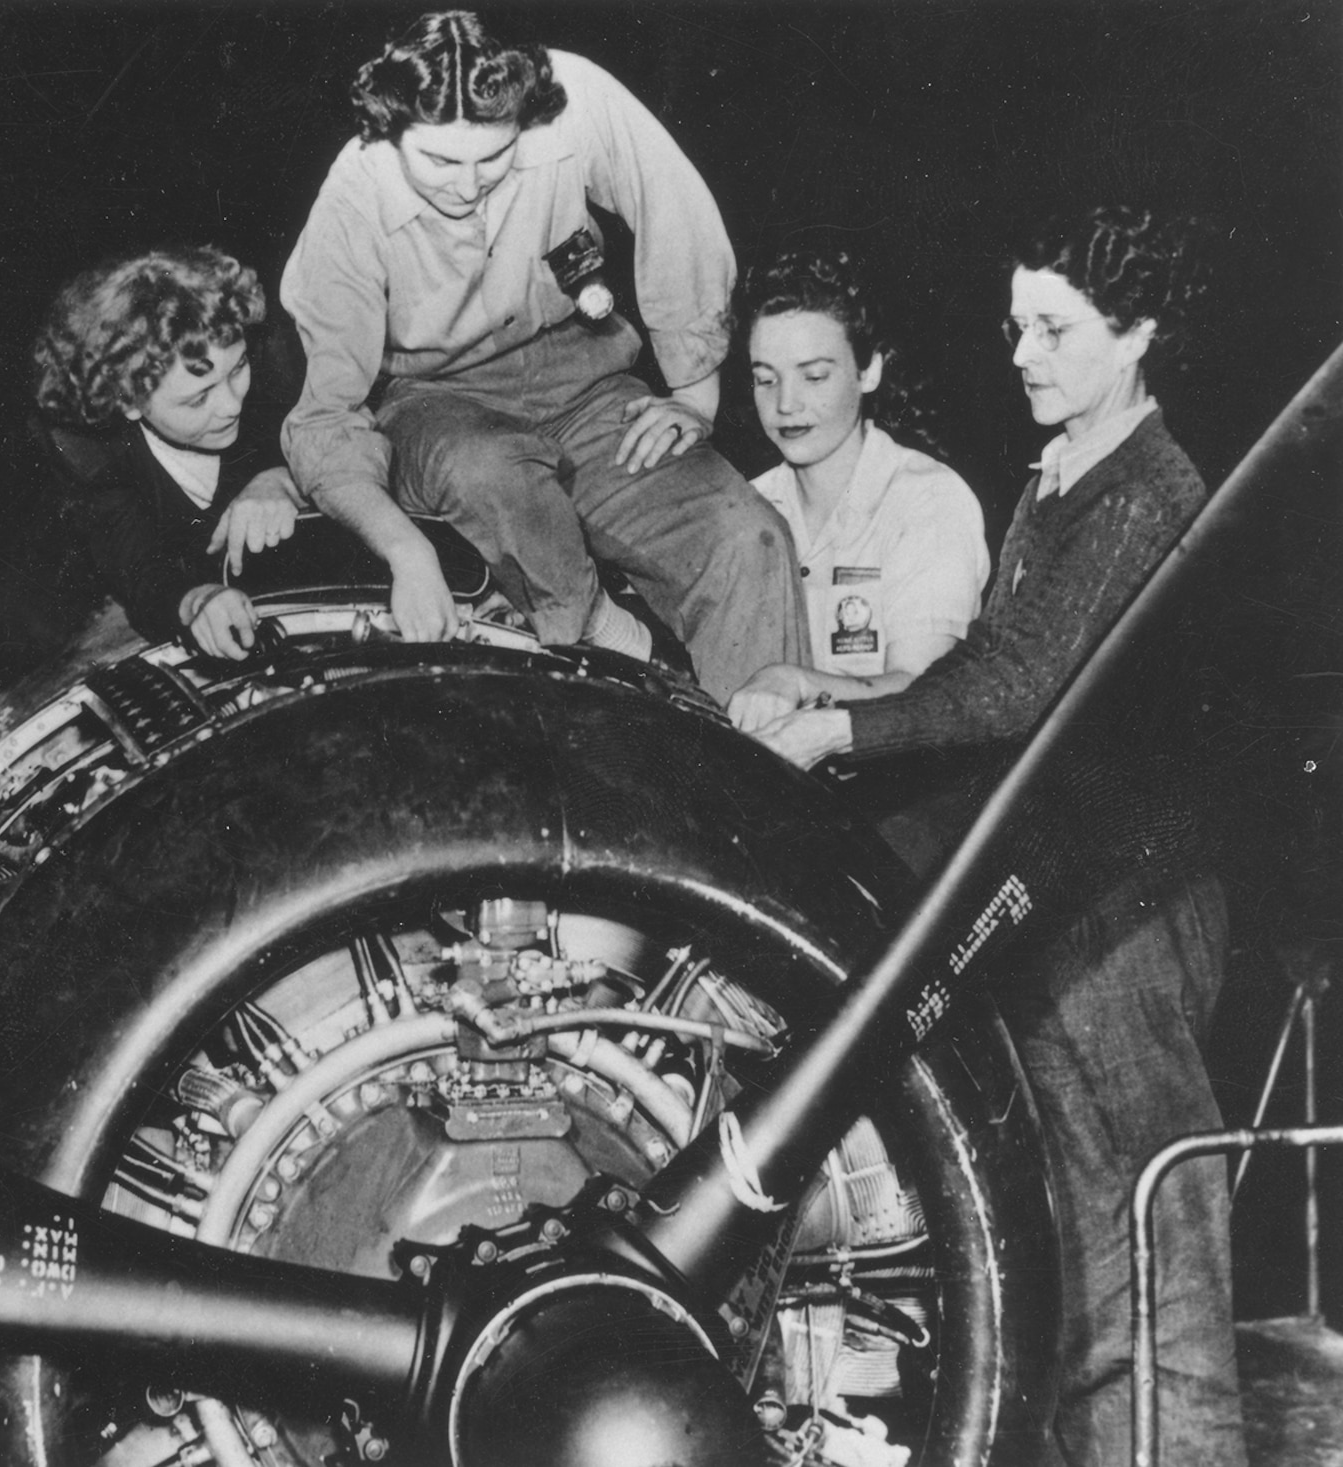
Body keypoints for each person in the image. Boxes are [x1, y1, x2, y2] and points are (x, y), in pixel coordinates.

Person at [751, 207, 1241, 1467]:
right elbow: (983, 660)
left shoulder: (1150, 489)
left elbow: (1022, 685)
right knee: (1079, 1257)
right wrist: (838, 694)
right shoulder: (1058, 472)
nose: (1020, 352)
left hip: (1132, 915)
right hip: (1059, 906)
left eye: (1053, 328)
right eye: (1015, 323)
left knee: (1156, 1241)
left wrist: (843, 739)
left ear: (1135, 336)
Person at [278, 9, 806, 700]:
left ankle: (765, 776)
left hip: (586, 379)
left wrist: (695, 392)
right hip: (438, 403)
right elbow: (326, 415)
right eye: (438, 161)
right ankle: (607, 642)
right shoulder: (353, 195)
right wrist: (405, 551)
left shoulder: (574, 97)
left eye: (492, 159)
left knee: (748, 540)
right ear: (390, 127)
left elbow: (675, 212)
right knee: (491, 468)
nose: (468, 189)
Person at [726, 250, 988, 731]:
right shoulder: (745, 505)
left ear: (869, 371)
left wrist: (794, 682)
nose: (786, 403)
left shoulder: (928, 501)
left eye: (814, 376)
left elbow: (921, 693)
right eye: (766, 379)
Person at [31, 245, 306, 660]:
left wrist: (284, 478)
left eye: (237, 370)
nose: (232, 404)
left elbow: (362, 442)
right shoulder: (87, 453)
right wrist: (199, 601)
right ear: (127, 400)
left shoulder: (278, 364)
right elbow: (141, 570)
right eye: (198, 400)